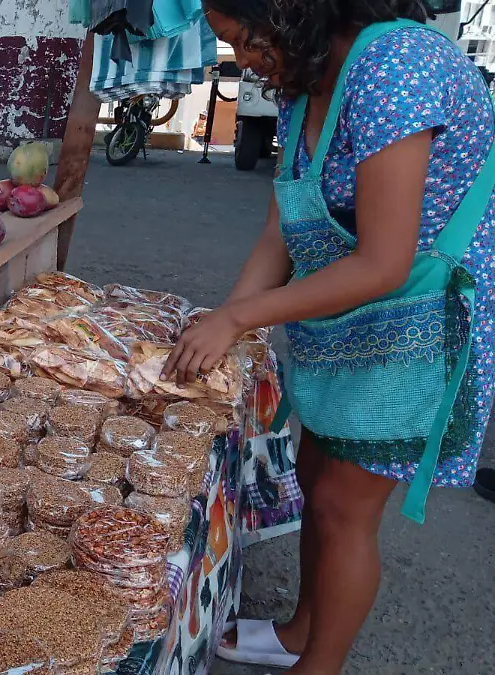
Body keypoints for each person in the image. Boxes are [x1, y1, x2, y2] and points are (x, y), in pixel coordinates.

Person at [163, 2, 495, 673]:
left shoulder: (397, 64)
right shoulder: (304, 79)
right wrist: (227, 319)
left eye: (244, 41)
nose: (242, 62)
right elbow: (279, 231)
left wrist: (240, 320)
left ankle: (320, 665)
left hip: (415, 317)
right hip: (350, 313)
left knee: (344, 507)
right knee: (315, 476)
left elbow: (383, 264)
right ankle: (301, 632)